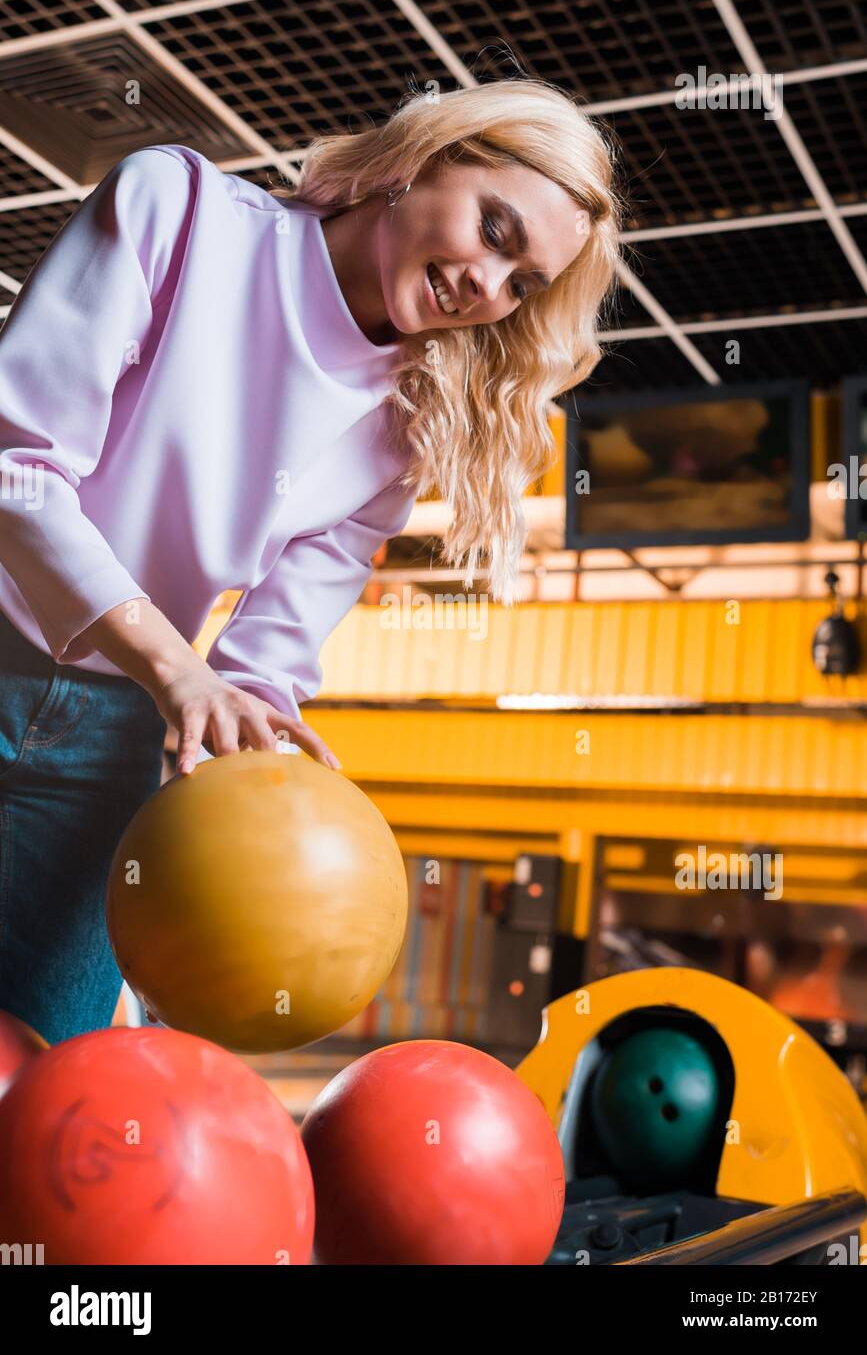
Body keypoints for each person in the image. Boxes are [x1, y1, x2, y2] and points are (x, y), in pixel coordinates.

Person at [0, 78, 622, 1042]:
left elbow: (267, 662)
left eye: (522, 284)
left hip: (115, 734)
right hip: (100, 665)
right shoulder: (179, 210)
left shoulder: (400, 429)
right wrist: (178, 670)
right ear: (422, 158)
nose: (488, 289)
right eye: (495, 231)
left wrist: (258, 758)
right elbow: (18, 467)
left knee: (41, 1079)